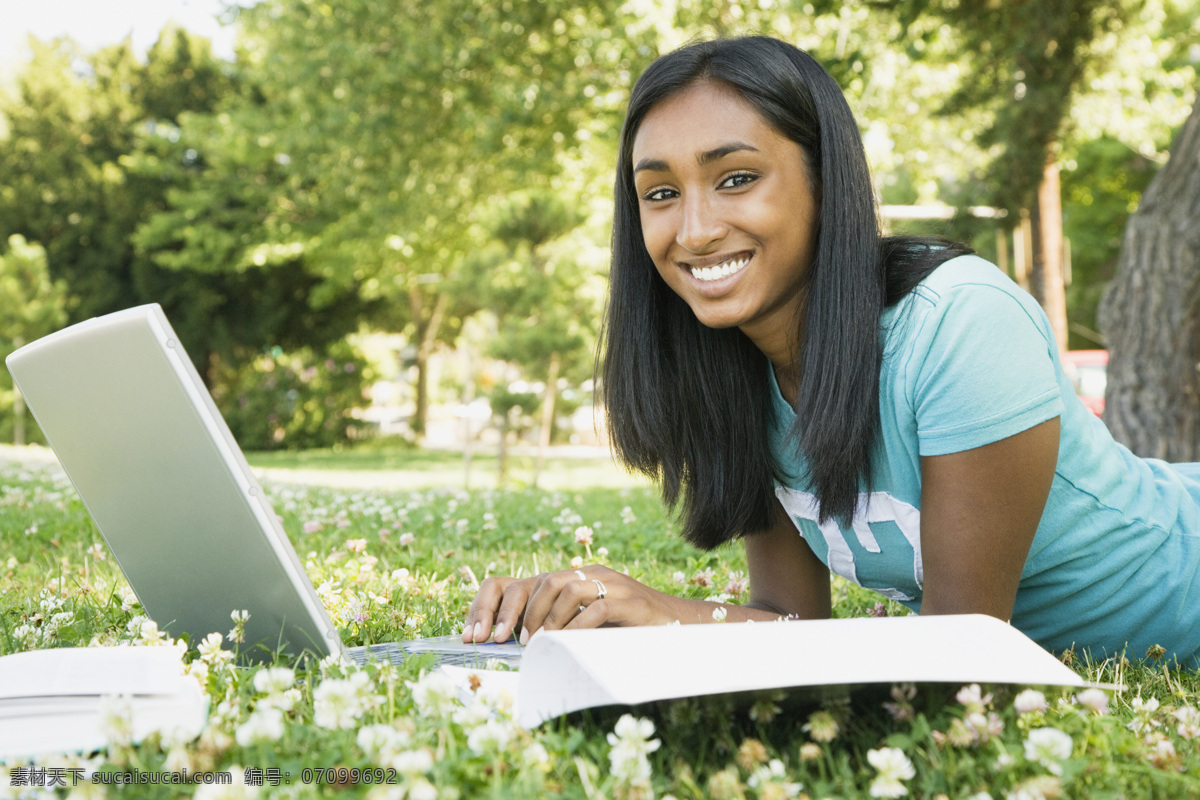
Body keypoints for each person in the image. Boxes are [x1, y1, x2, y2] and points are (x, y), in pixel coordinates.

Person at [462, 35, 1200, 665]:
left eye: (737, 179)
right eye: (660, 193)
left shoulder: (962, 323)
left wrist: (666, 613)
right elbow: (793, 622)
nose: (693, 230)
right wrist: (620, 615)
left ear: (825, 181)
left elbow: (964, 655)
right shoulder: (734, 371)